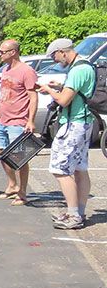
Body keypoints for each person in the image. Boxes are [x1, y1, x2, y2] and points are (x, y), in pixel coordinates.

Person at [39, 38, 96, 230]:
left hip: (74, 123)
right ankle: (78, 212)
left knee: (60, 169)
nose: (55, 60)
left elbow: (64, 101)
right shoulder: (86, 65)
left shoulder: (78, 70)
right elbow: (75, 94)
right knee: (80, 168)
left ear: (63, 51)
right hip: (84, 122)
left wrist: (49, 90)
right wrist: (59, 88)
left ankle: (73, 215)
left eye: (55, 56)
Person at [0, 39, 39, 204]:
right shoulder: (6, 69)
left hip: (18, 121)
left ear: (13, 52)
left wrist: (30, 121)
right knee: (0, 152)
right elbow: (4, 94)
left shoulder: (26, 71)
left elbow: (33, 96)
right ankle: (12, 185)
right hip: (3, 120)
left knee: (19, 158)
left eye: (2, 51)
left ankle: (22, 192)